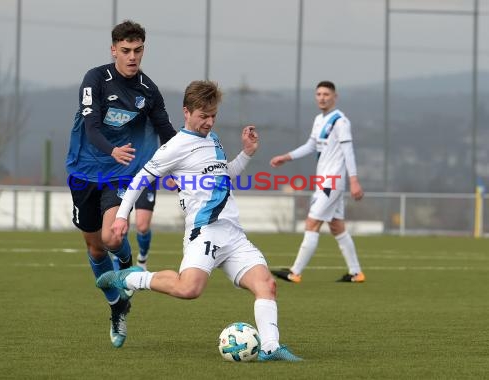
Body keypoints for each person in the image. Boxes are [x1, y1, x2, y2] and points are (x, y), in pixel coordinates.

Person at [96, 80, 301, 362]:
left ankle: (270, 348)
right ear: (187, 112)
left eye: (213, 115)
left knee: (266, 284)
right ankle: (128, 277)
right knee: (189, 288)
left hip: (233, 234)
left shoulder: (213, 140)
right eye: (203, 116)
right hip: (203, 232)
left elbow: (225, 176)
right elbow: (140, 179)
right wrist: (122, 216)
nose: (209, 122)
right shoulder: (175, 147)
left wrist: (247, 153)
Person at [65, 20, 176, 348]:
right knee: (95, 246)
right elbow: (92, 125)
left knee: (113, 236)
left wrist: (195, 149)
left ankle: (127, 270)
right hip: (84, 171)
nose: (132, 56)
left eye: (138, 50)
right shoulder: (96, 79)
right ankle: (117, 303)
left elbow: (165, 130)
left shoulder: (148, 90)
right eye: (125, 50)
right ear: (114, 50)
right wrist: (111, 148)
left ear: (143, 50)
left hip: (121, 173)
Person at [269, 81, 365, 284]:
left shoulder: (340, 121)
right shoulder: (319, 120)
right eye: (318, 94)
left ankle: (295, 272)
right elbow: (311, 145)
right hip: (324, 181)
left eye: (326, 94)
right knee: (337, 227)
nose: (322, 97)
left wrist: (354, 180)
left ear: (335, 97)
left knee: (312, 223)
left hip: (332, 182)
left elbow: (348, 151)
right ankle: (356, 273)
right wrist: (286, 157)